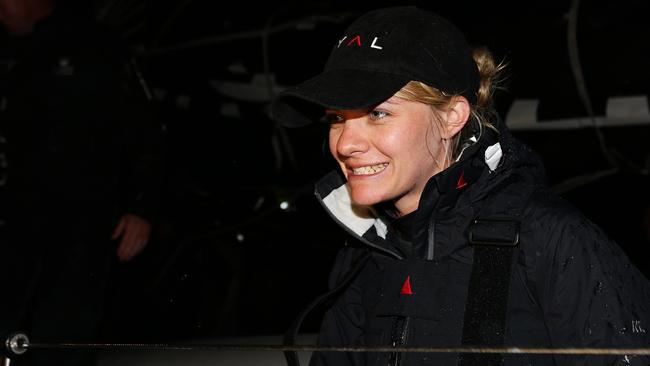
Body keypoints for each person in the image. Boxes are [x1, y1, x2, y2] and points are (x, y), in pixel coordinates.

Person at [270, 6, 650, 366]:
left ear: (452, 117)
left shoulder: (549, 238)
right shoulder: (362, 255)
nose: (344, 143)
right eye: (337, 117)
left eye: (377, 113)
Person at [0, 0, 163, 365]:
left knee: (61, 336)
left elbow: (145, 131)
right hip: (16, 222)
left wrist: (141, 207)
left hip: (83, 227)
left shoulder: (96, 45)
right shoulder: (11, 53)